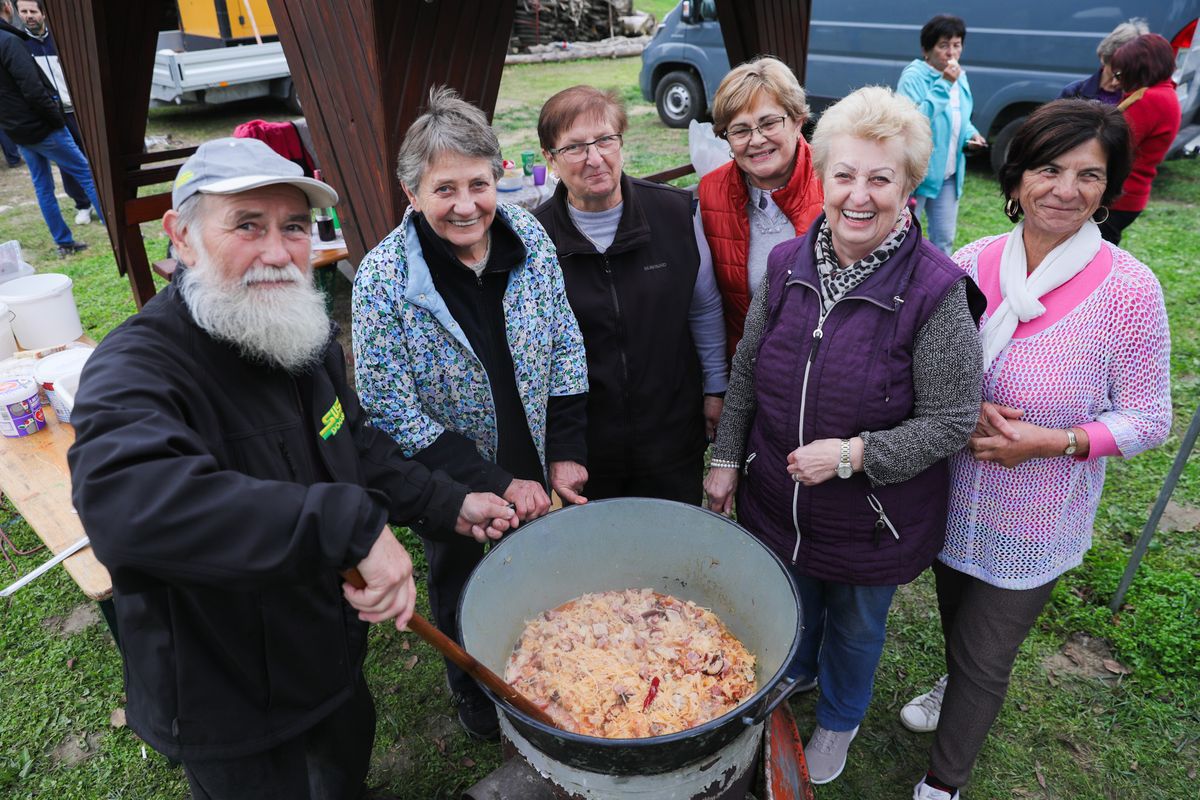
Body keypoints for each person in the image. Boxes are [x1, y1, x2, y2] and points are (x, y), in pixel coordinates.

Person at [67, 137, 519, 799]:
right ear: (182, 236)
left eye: (295, 227)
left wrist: (449, 502)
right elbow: (127, 504)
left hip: (327, 656)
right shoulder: (136, 366)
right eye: (247, 226)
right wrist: (350, 527)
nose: (277, 253)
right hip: (229, 695)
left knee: (343, 775)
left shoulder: (297, 336)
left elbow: (353, 446)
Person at [704, 85, 985, 785]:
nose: (859, 195)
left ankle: (839, 719)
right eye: (845, 175)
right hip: (778, 497)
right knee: (791, 600)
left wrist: (856, 455)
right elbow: (746, 367)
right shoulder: (785, 264)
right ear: (821, 174)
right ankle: (797, 672)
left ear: (910, 185)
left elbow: (952, 420)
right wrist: (727, 455)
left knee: (856, 628)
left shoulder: (936, 291)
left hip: (872, 518)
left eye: (880, 178)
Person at [902, 100, 1172, 800]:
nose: (1065, 189)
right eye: (1049, 169)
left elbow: (1150, 417)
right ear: (1017, 178)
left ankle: (943, 782)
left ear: (1108, 190)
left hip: (1037, 517)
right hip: (951, 495)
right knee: (960, 626)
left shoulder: (1130, 291)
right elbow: (922, 369)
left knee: (989, 655)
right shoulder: (968, 263)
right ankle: (954, 679)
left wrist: (1055, 442)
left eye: (1089, 175)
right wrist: (958, 411)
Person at [352, 87, 589, 740]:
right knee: (464, 584)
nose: (465, 206)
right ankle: (479, 695)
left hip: (537, 459)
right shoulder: (382, 283)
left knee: (544, 571)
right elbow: (389, 411)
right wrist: (491, 482)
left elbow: (566, 342)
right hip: (454, 481)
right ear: (411, 193)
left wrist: (565, 454)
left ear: (499, 177)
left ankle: (552, 675)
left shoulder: (529, 240)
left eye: (477, 184)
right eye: (444, 189)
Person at [534, 86, 727, 501]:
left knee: (674, 556)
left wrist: (715, 389)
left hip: (672, 436)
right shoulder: (536, 239)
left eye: (605, 140)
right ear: (549, 159)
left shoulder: (675, 214)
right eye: (575, 147)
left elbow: (705, 307)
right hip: (587, 448)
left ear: (621, 142)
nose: (595, 158)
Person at [698, 55, 823, 358]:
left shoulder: (835, 182)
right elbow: (708, 304)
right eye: (740, 130)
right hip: (746, 368)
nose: (756, 140)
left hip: (822, 365)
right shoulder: (711, 193)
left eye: (769, 123)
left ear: (797, 121)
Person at [0, 0, 101, 256]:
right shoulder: (10, 41)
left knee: (42, 186)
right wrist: (56, 119)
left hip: (19, 131)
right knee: (87, 173)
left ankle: (64, 243)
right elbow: (33, 89)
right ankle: (117, 228)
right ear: (8, 9)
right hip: (41, 126)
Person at [897, 14, 988, 256]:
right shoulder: (914, 76)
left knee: (944, 241)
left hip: (949, 173)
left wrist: (972, 134)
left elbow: (960, 116)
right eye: (943, 45)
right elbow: (914, 121)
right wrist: (945, 83)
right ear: (927, 49)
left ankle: (940, 290)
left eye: (956, 45)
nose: (951, 53)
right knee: (904, 238)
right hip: (918, 173)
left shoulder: (960, 75)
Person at [18, 0, 96, 225]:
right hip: (52, 113)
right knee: (67, 164)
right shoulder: (20, 44)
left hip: (78, 110)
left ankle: (102, 199)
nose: (29, 16)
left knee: (91, 156)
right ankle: (82, 205)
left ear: (43, 13)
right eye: (24, 12)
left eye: (33, 11)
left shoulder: (61, 40)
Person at [1100, 33, 1182, 245]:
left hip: (1118, 199)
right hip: (1131, 196)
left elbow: (1110, 145)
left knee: (1091, 257)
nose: (1116, 80)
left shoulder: (1150, 100)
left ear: (1139, 69)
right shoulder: (1165, 92)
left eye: (1120, 73)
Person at [1059, 18, 1148, 105]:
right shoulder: (1074, 92)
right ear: (1104, 58)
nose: (1122, 73)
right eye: (1118, 65)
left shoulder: (1141, 97)